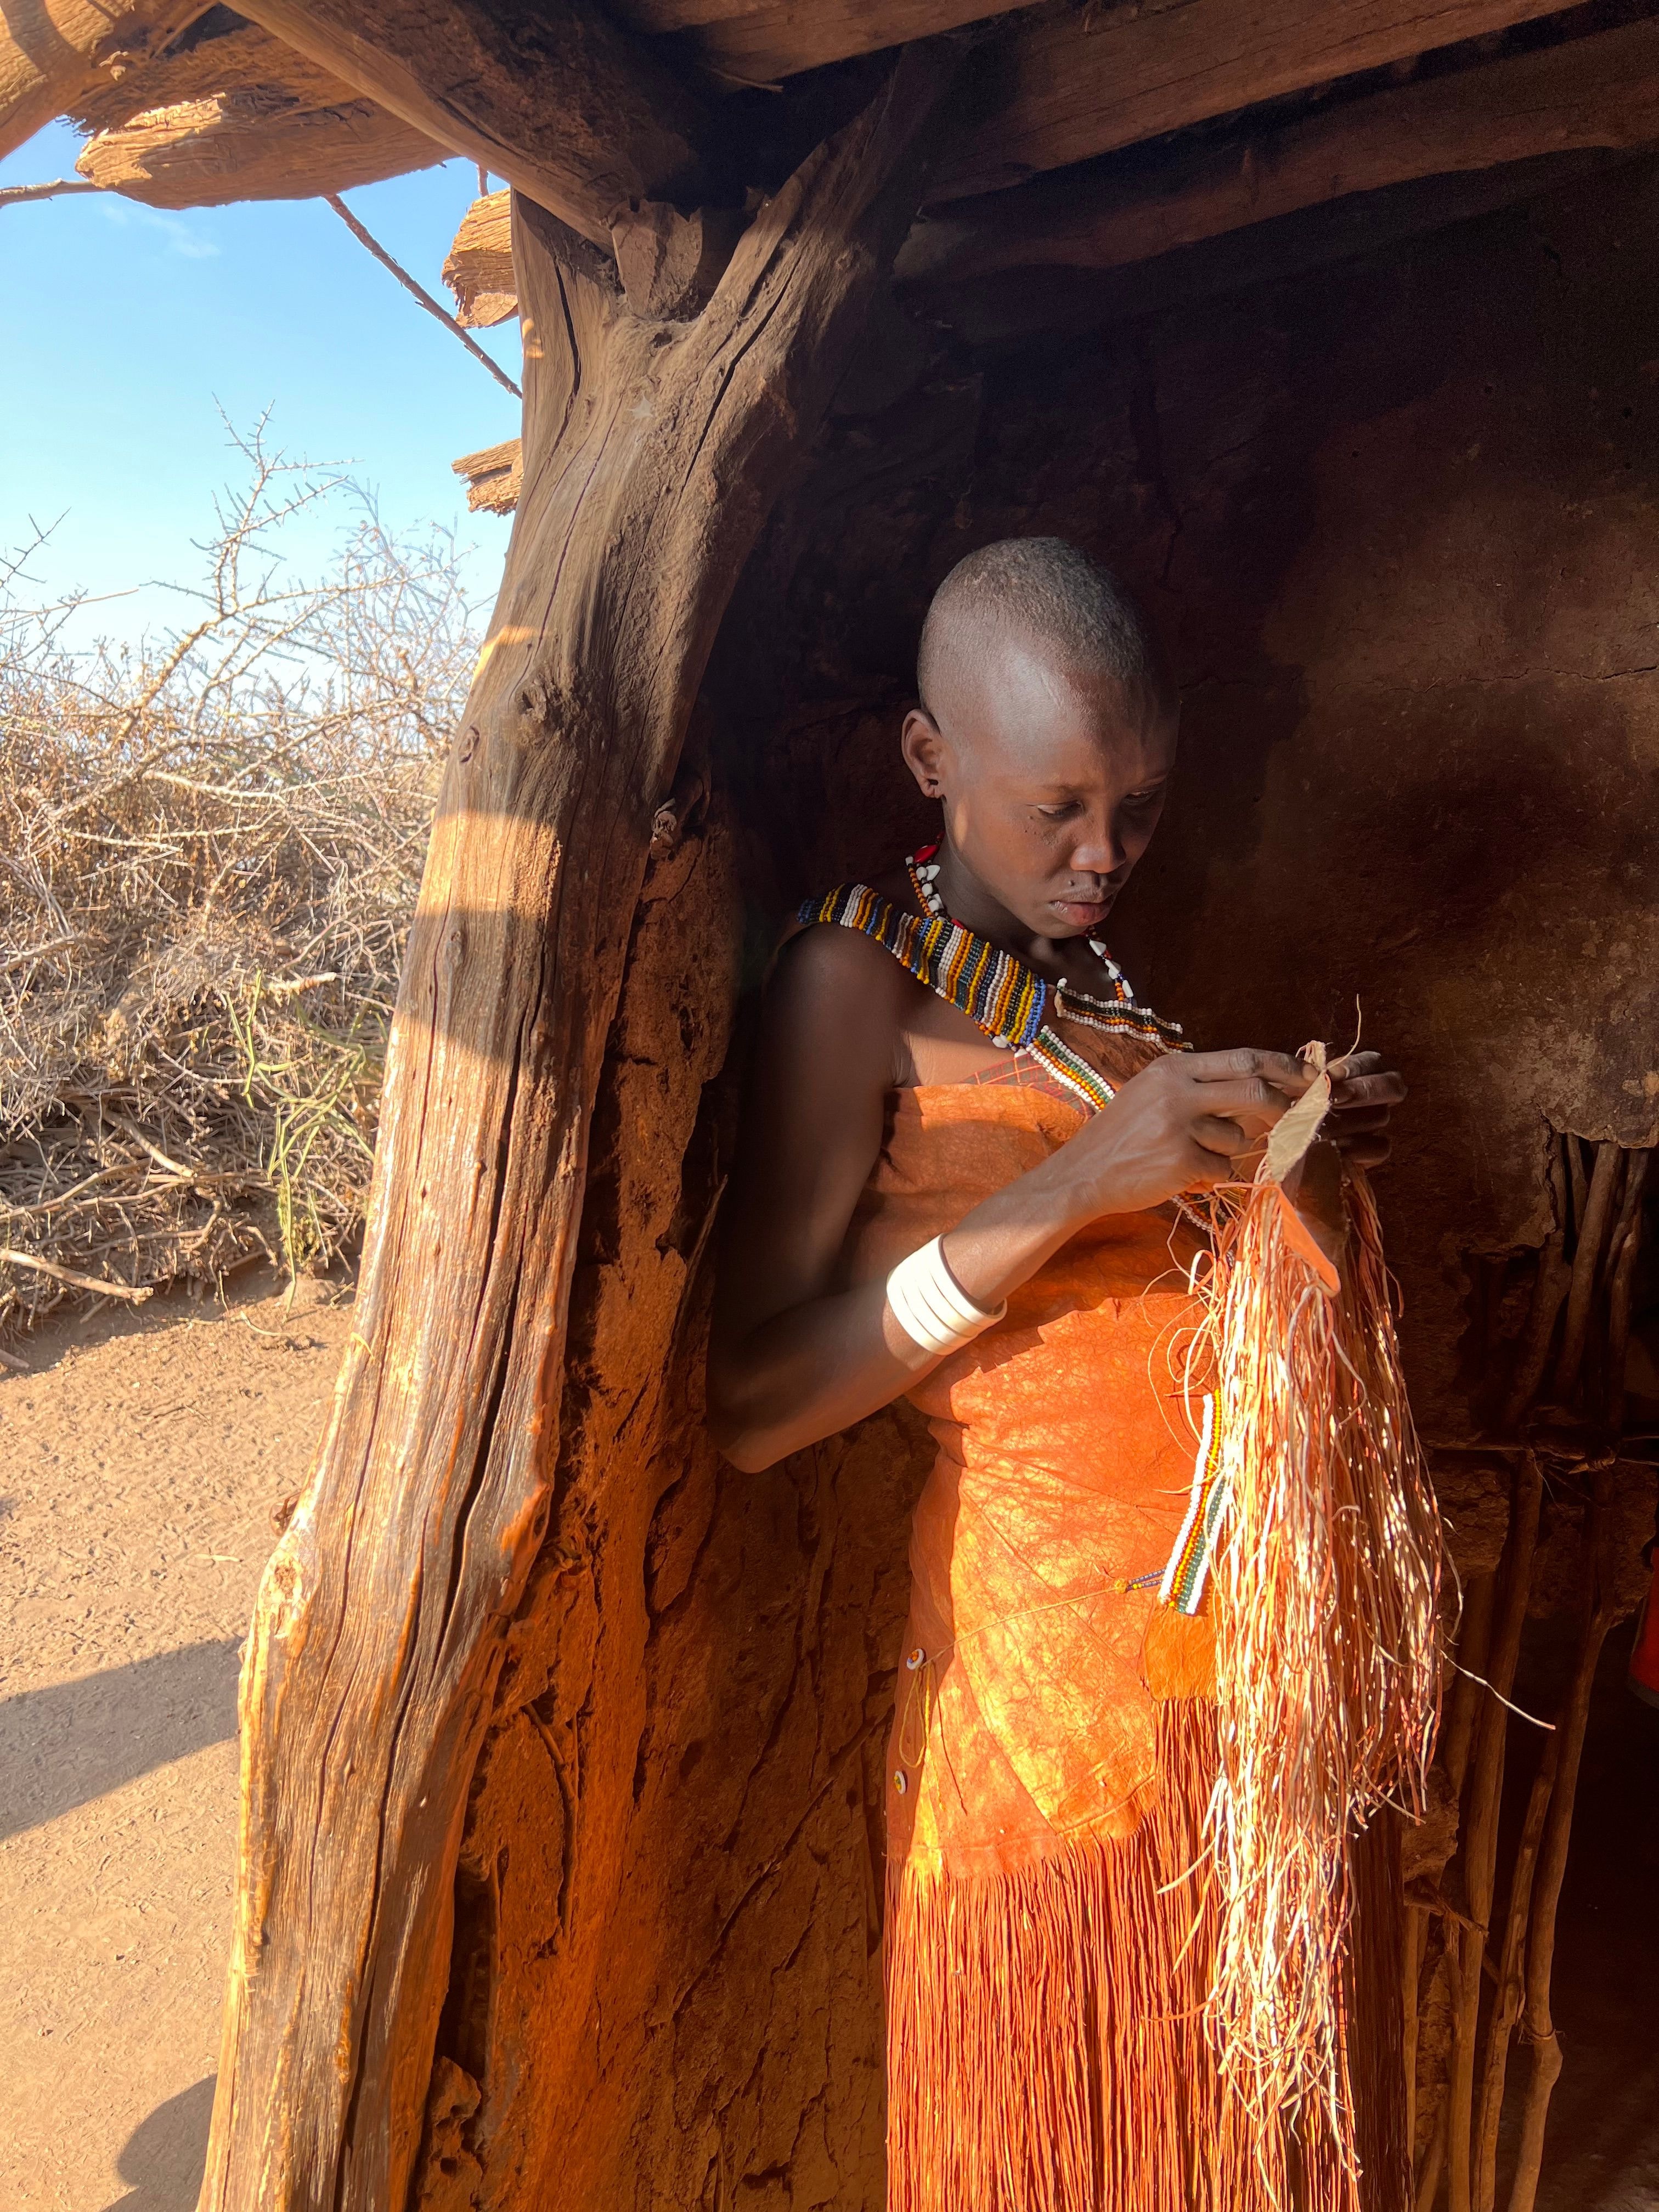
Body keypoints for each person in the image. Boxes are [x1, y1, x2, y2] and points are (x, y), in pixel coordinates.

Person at [708, 538, 1408, 2212]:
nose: (1106, 858)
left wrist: (1287, 1154)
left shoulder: (1091, 997)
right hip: (1042, 1714)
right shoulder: (850, 978)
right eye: (1059, 809)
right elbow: (749, 1407)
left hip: (1229, 1690)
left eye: (1143, 809)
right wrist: (1082, 1179)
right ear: (932, 760)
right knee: (1082, 2134)